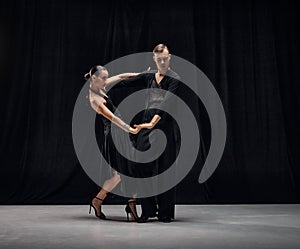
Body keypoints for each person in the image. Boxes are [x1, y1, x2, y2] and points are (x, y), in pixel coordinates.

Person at [116, 44, 180, 223]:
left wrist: (151, 123)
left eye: (165, 59)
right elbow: (128, 79)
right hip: (146, 128)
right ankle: (148, 210)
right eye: (159, 59)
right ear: (154, 59)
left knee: (165, 170)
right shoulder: (150, 76)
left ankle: (165, 212)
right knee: (143, 168)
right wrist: (106, 81)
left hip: (164, 128)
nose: (162, 62)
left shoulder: (175, 78)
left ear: (170, 58)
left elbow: (166, 103)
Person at [85, 65, 141, 221]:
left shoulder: (100, 85)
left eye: (106, 77)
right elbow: (111, 118)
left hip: (120, 132)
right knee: (124, 172)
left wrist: (139, 74)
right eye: (103, 78)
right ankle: (129, 204)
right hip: (114, 134)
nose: (106, 81)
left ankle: (99, 200)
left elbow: (122, 76)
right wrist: (128, 128)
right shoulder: (94, 98)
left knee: (122, 174)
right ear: (94, 78)